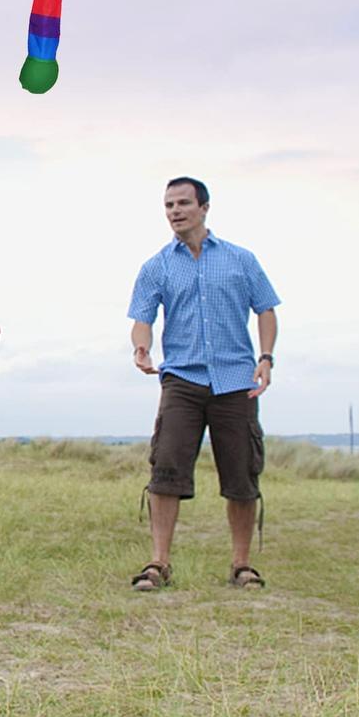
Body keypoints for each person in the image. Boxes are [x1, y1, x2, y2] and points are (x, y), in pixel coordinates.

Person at [127, 177, 279, 591]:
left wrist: (266, 357)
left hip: (236, 381)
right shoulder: (157, 266)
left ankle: (242, 565)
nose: (175, 211)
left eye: (183, 203)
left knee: (242, 474)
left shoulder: (240, 259)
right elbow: (142, 319)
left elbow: (266, 309)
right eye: (168, 205)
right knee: (166, 469)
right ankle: (158, 563)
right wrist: (141, 348)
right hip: (182, 379)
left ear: (204, 207)